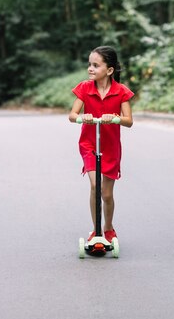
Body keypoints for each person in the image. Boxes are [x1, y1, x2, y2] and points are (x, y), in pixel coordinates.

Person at [68, 46, 134, 243]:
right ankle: (96, 230)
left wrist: (115, 118)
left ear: (110, 70)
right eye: (90, 64)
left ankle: (108, 228)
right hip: (89, 144)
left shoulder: (121, 92)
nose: (90, 68)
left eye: (96, 65)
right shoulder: (84, 88)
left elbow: (129, 120)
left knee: (106, 194)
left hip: (110, 147)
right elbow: (72, 115)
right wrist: (82, 117)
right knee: (95, 185)